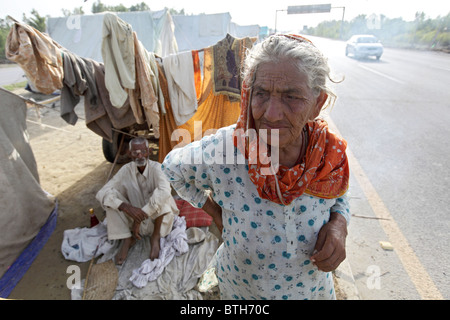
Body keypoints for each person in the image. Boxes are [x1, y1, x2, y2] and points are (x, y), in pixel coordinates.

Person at [161, 34, 350, 300]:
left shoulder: (329, 153)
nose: (271, 114)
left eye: (291, 96)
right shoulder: (226, 150)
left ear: (317, 104)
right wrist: (216, 214)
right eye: (261, 94)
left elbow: (339, 194)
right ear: (249, 95)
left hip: (310, 291)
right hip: (243, 291)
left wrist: (339, 224)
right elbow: (172, 169)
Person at [96, 137, 179, 265]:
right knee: (110, 199)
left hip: (157, 222)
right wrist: (125, 207)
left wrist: (139, 217)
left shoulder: (158, 168)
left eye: (143, 151)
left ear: (149, 151)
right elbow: (102, 193)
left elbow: (164, 192)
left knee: (162, 195)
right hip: (134, 223)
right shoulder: (125, 170)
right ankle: (127, 238)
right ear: (129, 154)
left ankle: (155, 238)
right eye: (135, 153)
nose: (140, 155)